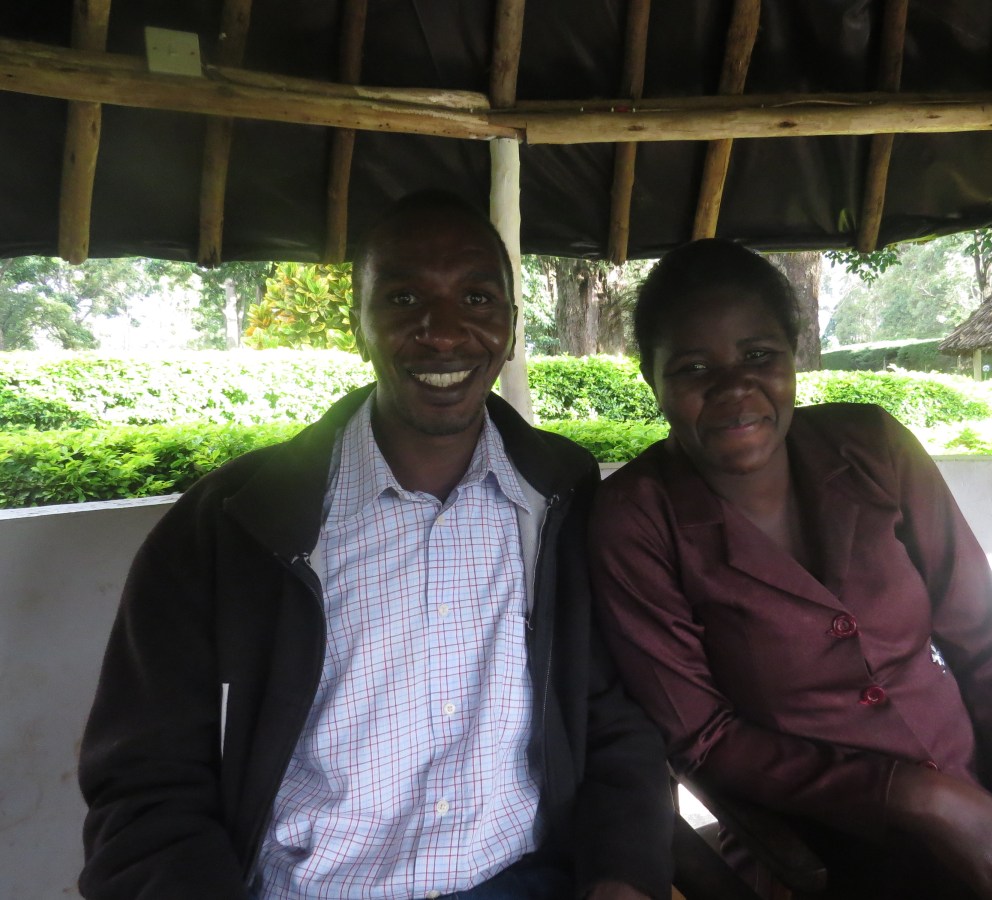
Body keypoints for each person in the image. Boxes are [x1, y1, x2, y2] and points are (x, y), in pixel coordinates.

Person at [78, 190, 674, 900]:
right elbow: (145, 784)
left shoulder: (563, 497)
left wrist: (623, 876)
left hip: (526, 879)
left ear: (512, 326)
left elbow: (612, 714)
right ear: (359, 326)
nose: (443, 333)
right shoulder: (230, 527)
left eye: (477, 298)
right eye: (402, 299)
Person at [588, 239, 992, 899]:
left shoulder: (871, 447)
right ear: (651, 379)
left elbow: (986, 642)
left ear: (793, 355)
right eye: (693, 367)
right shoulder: (637, 520)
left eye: (759, 356)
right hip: (824, 844)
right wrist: (921, 797)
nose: (734, 387)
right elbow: (704, 738)